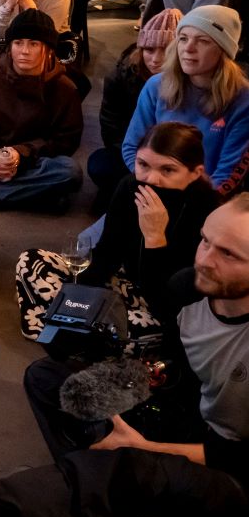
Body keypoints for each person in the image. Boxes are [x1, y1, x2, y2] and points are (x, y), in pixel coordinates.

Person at [0, 197, 249, 517]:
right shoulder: (191, 287)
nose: (205, 260)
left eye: (229, 254)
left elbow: (238, 457)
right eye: (204, 240)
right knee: (52, 380)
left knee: (140, 466)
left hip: (232, 474)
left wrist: (146, 448)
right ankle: (104, 507)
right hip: (189, 420)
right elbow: (175, 367)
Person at [17, 121, 220, 348]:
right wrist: (74, 297)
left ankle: (83, 337)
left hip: (164, 308)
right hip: (126, 284)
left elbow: (174, 300)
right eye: (143, 164)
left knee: (135, 328)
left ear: (195, 173)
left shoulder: (207, 210)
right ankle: (76, 332)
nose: (151, 179)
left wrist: (155, 238)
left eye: (168, 170)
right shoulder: (130, 186)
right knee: (32, 261)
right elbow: (108, 252)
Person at [0, 9, 83, 211]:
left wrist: (21, 153)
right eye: (18, 43)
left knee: (69, 171)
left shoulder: (64, 87)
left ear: (48, 49)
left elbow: (66, 140)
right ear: (9, 47)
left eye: (33, 44)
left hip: (34, 160)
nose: (24, 51)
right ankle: (34, 196)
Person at [123, 6, 249, 196]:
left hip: (205, 198)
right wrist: (151, 184)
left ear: (223, 50)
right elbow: (132, 146)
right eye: (183, 39)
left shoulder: (242, 100)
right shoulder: (156, 85)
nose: (188, 48)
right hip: (152, 187)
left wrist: (191, 206)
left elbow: (229, 173)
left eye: (203, 41)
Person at [88, 9, 183, 208]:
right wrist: (140, 163)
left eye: (165, 50)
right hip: (133, 153)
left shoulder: (190, 83)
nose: (156, 59)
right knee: (99, 164)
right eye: (149, 49)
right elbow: (111, 129)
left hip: (176, 159)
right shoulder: (121, 78)